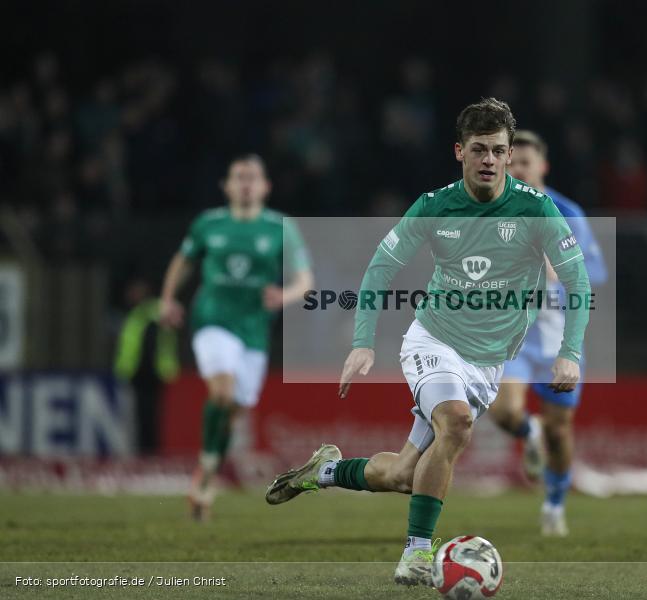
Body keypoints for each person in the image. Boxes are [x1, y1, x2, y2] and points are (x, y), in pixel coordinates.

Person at [265, 99, 591, 586]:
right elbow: (381, 268)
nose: (488, 160)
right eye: (478, 149)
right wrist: (363, 342)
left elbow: (578, 280)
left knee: (400, 474)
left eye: (498, 151)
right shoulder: (435, 206)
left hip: (487, 365)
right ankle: (417, 554)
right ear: (459, 151)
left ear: (507, 156)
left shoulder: (536, 209)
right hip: (433, 341)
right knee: (455, 424)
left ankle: (325, 471)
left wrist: (569, 352)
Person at [160, 154, 314, 521]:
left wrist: (284, 296)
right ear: (227, 186)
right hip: (213, 319)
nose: (245, 183)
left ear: (265, 187)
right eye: (239, 177)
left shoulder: (280, 227)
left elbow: (305, 281)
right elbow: (183, 261)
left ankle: (206, 474)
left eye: (252, 177)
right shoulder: (208, 224)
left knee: (233, 409)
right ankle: (205, 477)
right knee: (223, 392)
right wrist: (168, 299)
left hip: (254, 331)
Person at [488, 130, 608, 536]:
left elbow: (596, 273)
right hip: (512, 339)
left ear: (542, 166)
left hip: (557, 339)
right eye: (512, 162)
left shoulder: (567, 212)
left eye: (525, 163)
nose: (518, 169)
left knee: (560, 429)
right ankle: (528, 430)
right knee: (503, 412)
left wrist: (560, 270)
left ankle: (555, 505)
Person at [114, 277, 181, 455]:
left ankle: (149, 453)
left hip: (152, 374)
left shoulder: (152, 312)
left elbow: (166, 339)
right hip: (137, 374)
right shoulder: (136, 314)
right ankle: (142, 452)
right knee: (139, 417)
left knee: (150, 417)